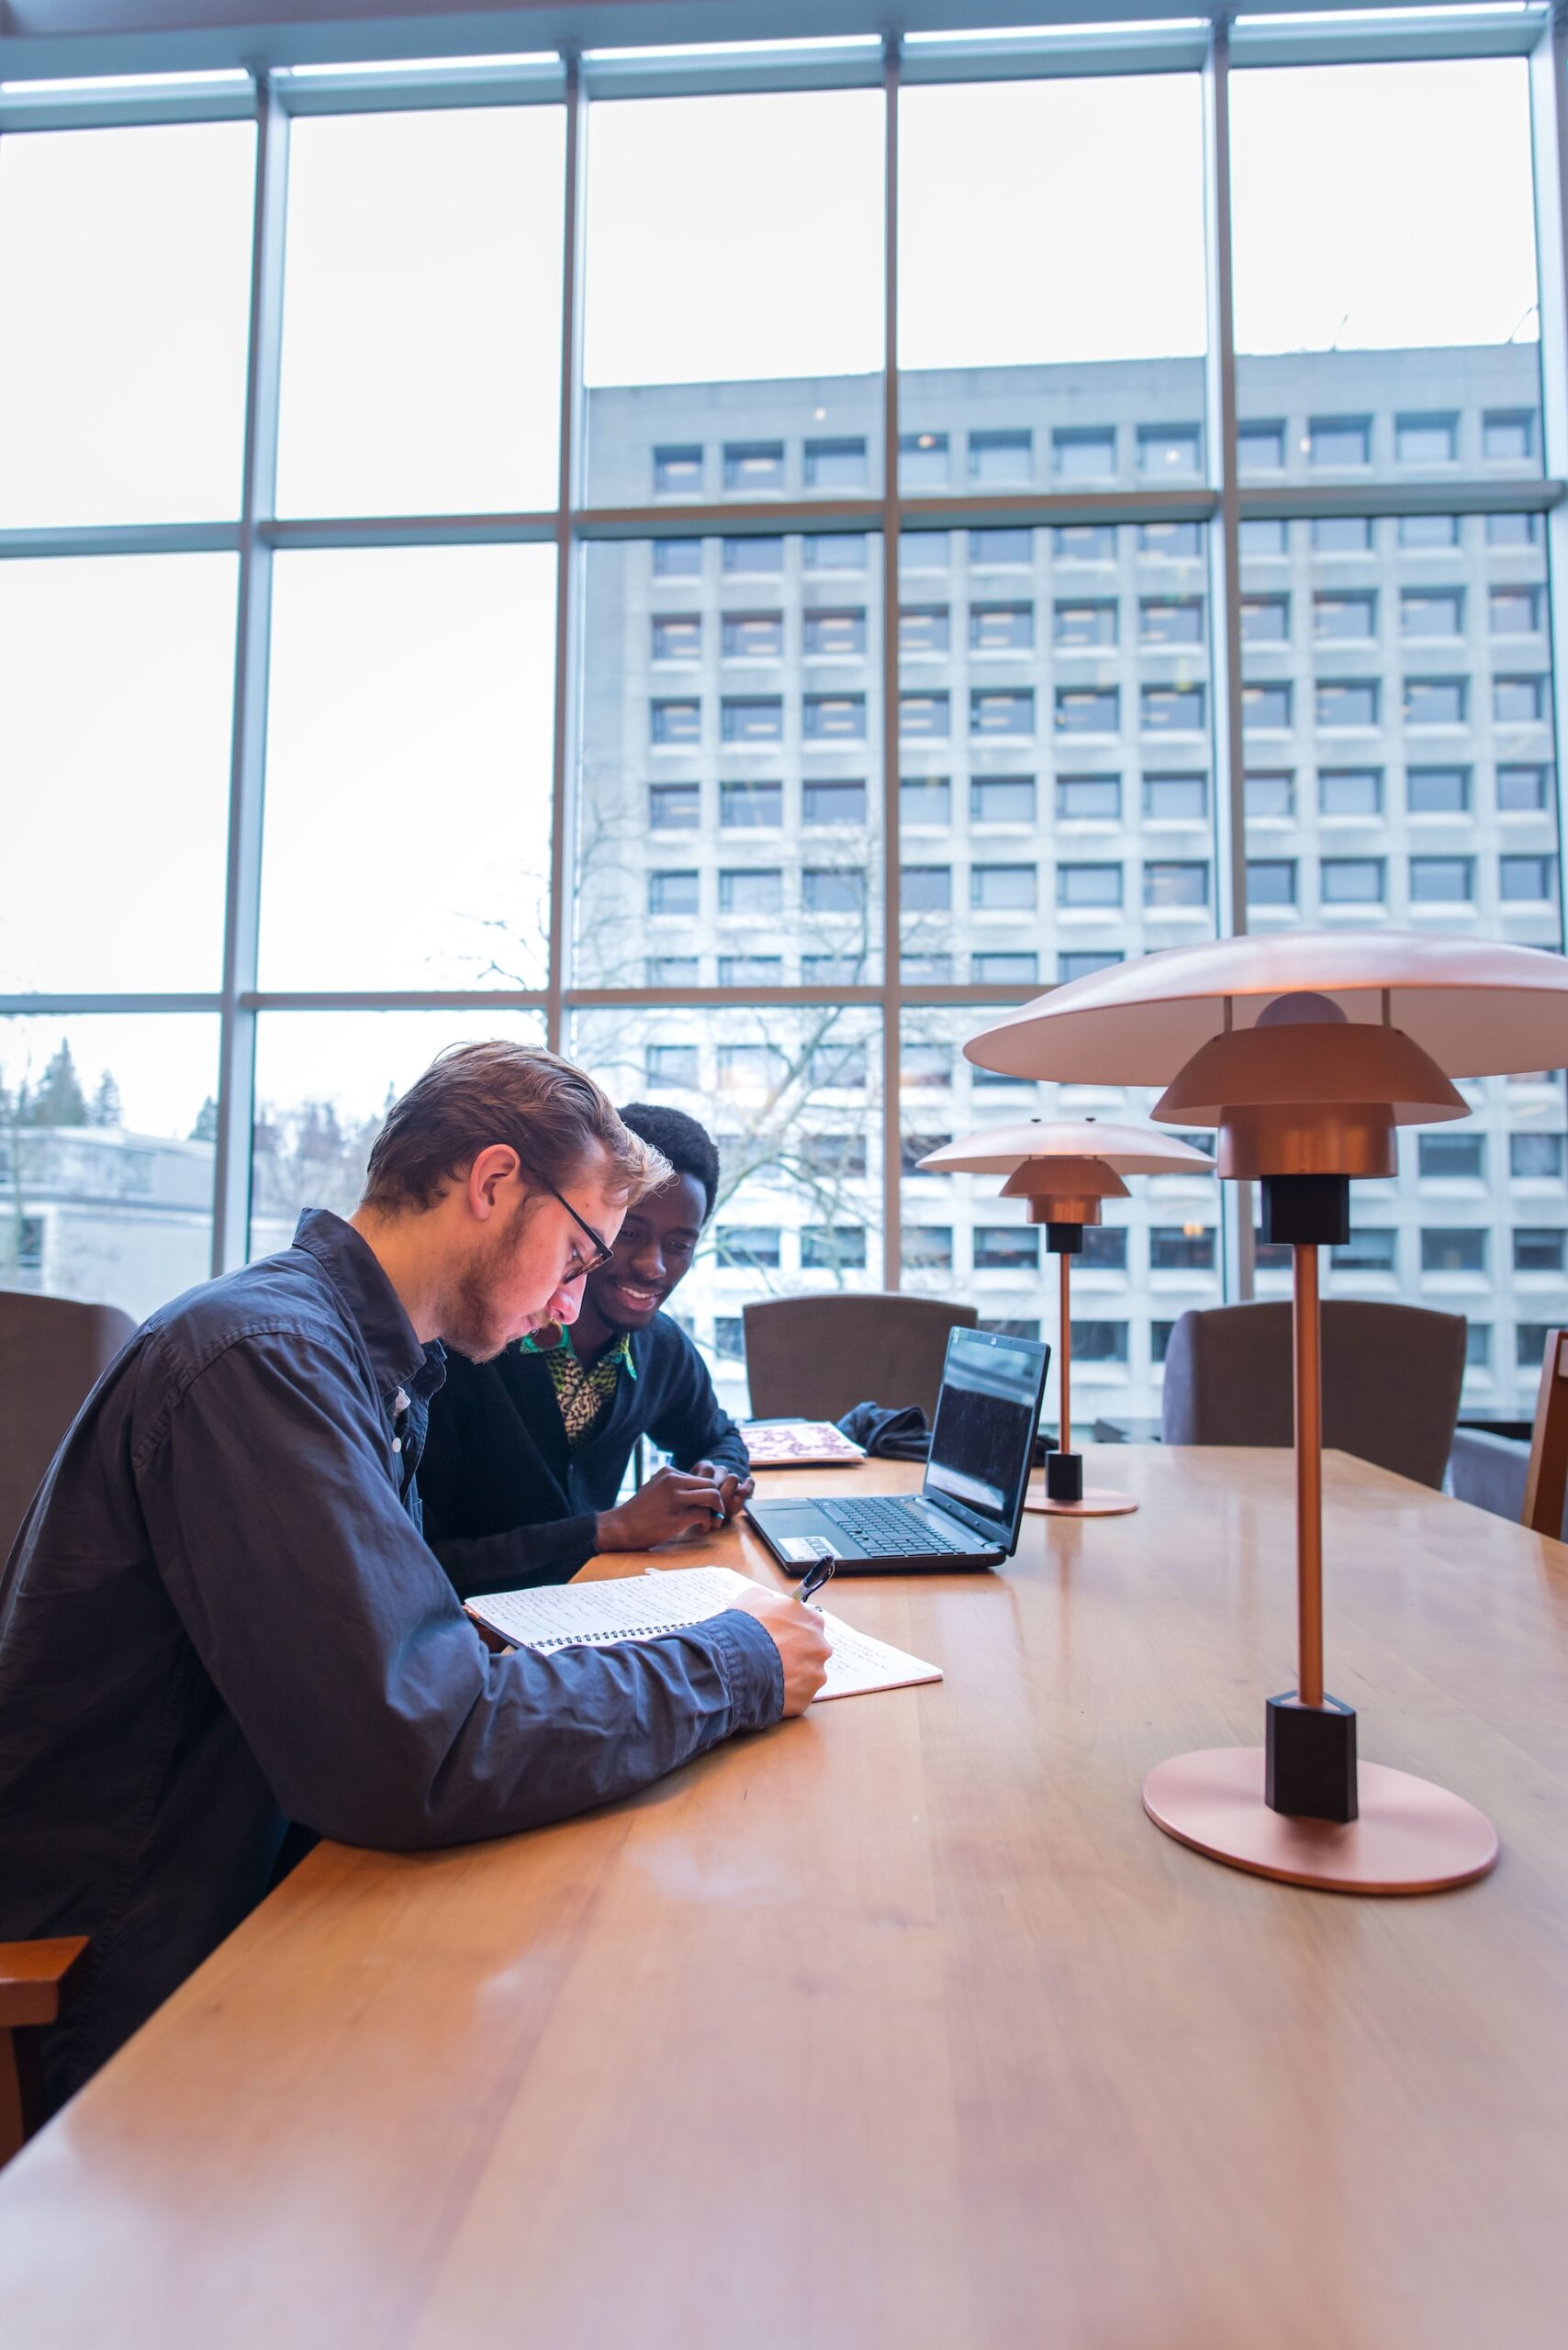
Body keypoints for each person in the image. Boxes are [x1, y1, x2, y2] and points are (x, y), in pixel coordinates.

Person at [0, 1043, 828, 2109]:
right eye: (577, 1258)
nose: (574, 1308)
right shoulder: (264, 1360)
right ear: (491, 1184)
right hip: (133, 1955)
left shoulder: (361, 1360)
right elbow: (421, 1745)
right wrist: (731, 1663)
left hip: (267, 1868)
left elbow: (412, 1654)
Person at [420, 1102, 753, 1596]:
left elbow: (717, 1437)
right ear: (593, 1219)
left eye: (680, 1244)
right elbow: (422, 1561)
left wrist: (718, 1475)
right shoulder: (464, 1347)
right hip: (475, 1642)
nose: (653, 1267)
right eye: (631, 1232)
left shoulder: (658, 1347)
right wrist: (605, 1530)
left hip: (593, 1612)